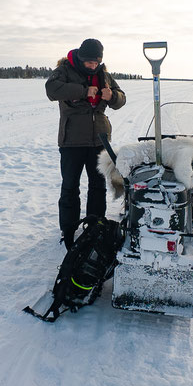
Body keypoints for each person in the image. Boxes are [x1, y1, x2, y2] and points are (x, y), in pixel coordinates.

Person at [45, 38, 126, 250]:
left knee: (97, 186)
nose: (92, 65)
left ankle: (95, 227)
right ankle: (69, 229)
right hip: (72, 141)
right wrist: (83, 91)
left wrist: (113, 96)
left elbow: (121, 99)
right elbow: (51, 89)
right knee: (70, 187)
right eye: (88, 62)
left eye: (95, 62)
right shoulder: (65, 70)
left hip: (99, 140)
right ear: (80, 58)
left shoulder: (104, 74)